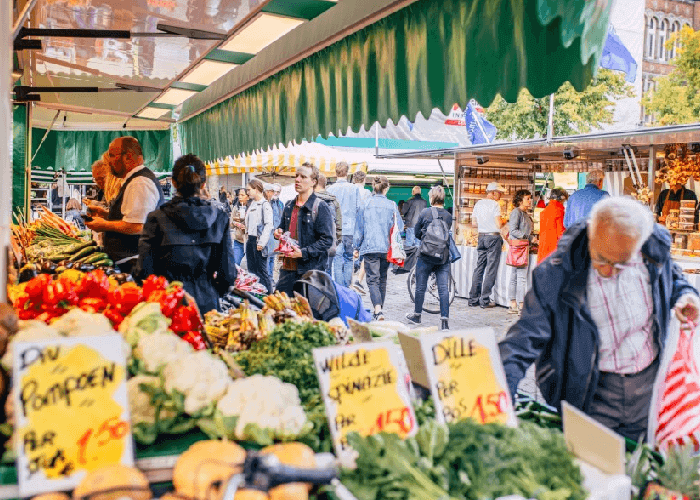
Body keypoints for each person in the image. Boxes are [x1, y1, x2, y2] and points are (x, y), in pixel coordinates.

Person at [499, 197, 700, 441]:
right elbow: (524, 338)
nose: (610, 271)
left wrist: (686, 296)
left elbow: (674, 277)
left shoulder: (649, 252)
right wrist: (498, 392)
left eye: (622, 263)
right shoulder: (557, 274)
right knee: (594, 468)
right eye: (602, 259)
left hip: (648, 390)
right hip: (591, 393)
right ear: (591, 237)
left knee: (640, 466)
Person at [135, 154, 237, 314]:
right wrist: (211, 291)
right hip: (207, 304)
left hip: (167, 303)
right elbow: (228, 274)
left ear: (174, 182)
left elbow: (144, 271)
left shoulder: (156, 218)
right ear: (203, 184)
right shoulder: (220, 218)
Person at [85, 137, 164, 275]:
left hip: (134, 264)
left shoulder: (139, 182)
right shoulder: (133, 180)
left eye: (111, 155)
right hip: (128, 262)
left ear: (127, 158)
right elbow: (130, 217)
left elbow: (137, 226)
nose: (108, 162)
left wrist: (104, 225)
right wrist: (106, 214)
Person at [274, 163, 334, 296]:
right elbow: (283, 229)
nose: (297, 179)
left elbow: (327, 240)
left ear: (313, 182)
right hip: (287, 269)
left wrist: (302, 252)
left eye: (303, 177)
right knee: (279, 308)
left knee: (307, 313)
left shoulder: (320, 206)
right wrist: (278, 232)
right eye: (296, 176)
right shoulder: (289, 205)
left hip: (309, 272)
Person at [354, 175, 403, 321]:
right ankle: (379, 309)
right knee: (382, 279)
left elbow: (359, 228)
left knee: (372, 280)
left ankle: (378, 310)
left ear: (373, 187)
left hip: (370, 246)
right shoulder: (392, 205)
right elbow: (399, 226)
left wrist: (356, 246)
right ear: (386, 188)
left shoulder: (365, 204)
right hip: (386, 247)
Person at [405, 185, 452, 330]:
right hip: (442, 257)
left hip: (425, 255)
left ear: (432, 198)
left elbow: (417, 233)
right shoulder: (448, 216)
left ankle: (417, 316)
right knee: (443, 288)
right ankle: (444, 322)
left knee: (420, 287)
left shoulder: (425, 213)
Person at [468, 182, 505, 309]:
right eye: (499, 193)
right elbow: (498, 224)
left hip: (481, 236)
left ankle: (473, 299)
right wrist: (503, 221)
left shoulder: (478, 204)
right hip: (493, 237)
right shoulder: (495, 204)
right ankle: (485, 300)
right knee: (491, 269)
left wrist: (484, 223)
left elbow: (473, 223)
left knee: (479, 267)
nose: (500, 196)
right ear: (493, 192)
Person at [327, 161, 360, 287]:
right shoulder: (354, 189)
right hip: (350, 230)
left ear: (336, 173)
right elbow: (358, 208)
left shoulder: (330, 189)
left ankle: (339, 289)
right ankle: (346, 288)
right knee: (348, 259)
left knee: (337, 260)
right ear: (347, 173)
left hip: (336, 231)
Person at [507, 189, 535, 314]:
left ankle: (513, 303)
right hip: (520, 249)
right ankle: (521, 305)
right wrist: (530, 238)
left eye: (530, 198)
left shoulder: (525, 214)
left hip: (521, 248)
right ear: (520, 200)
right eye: (527, 198)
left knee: (514, 276)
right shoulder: (516, 212)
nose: (530, 200)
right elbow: (513, 230)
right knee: (521, 277)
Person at [244, 179, 274, 294]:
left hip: (258, 241)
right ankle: (257, 293)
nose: (248, 192)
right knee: (252, 270)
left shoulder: (265, 205)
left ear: (256, 189)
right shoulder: (252, 203)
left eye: (249, 190)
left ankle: (269, 294)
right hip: (250, 240)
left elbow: (269, 225)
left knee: (261, 271)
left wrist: (262, 242)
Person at [314, 174, 343, 275]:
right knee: (327, 271)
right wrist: (336, 240)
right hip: (329, 243)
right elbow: (339, 225)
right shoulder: (333, 200)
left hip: (312, 244)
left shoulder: (310, 200)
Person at [351, 170, 371, 294]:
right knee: (366, 254)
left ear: (354, 180)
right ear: (364, 180)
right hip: (364, 226)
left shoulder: (349, 190)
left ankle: (349, 279)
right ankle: (358, 280)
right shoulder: (367, 193)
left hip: (350, 226)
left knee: (350, 253)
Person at [537, 188, 568, 264]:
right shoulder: (559, 211)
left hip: (543, 249)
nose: (563, 203)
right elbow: (561, 233)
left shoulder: (545, 211)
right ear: (561, 198)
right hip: (554, 250)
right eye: (564, 201)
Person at [264, 183, 284, 280]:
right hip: (268, 233)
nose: (276, 193)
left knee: (273, 257)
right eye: (274, 191)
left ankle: (270, 278)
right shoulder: (267, 203)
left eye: (278, 191)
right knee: (267, 257)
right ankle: (267, 278)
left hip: (276, 234)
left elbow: (281, 218)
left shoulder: (280, 204)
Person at [231, 188, 249, 266]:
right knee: (235, 264)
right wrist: (235, 223)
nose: (240, 197)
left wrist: (246, 227)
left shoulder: (252, 208)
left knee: (252, 268)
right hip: (238, 240)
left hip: (250, 242)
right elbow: (230, 224)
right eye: (239, 195)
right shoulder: (236, 207)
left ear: (248, 197)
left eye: (242, 195)